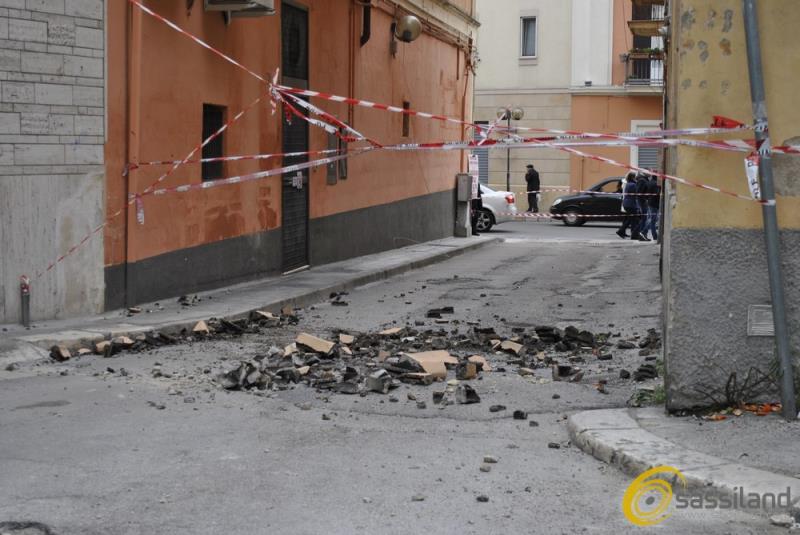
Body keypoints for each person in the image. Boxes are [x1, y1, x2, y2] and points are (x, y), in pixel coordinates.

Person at [616, 172, 637, 239]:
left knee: (631, 219)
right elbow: (636, 194)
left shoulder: (628, 183)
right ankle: (621, 231)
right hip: (631, 204)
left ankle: (622, 231)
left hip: (626, 203)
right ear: (633, 177)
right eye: (635, 177)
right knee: (633, 219)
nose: (636, 178)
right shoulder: (633, 184)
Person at [635, 173, 652, 241]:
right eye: (649, 171)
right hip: (642, 203)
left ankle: (642, 235)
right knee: (644, 219)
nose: (650, 173)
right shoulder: (642, 180)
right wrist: (644, 200)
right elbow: (639, 192)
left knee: (644, 219)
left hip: (643, 202)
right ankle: (641, 235)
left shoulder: (644, 180)